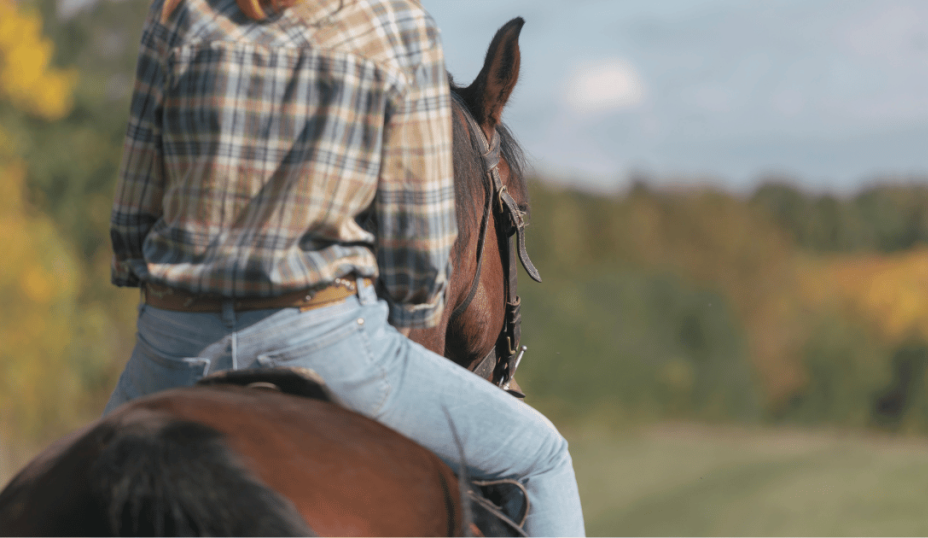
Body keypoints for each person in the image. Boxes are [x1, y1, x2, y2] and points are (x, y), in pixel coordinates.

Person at [102, 0, 585, 534]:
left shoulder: (178, 10)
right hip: (322, 339)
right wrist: (407, 314)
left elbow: (130, 221)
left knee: (73, 485)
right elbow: (421, 247)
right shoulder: (398, 25)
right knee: (543, 458)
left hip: (172, 343)